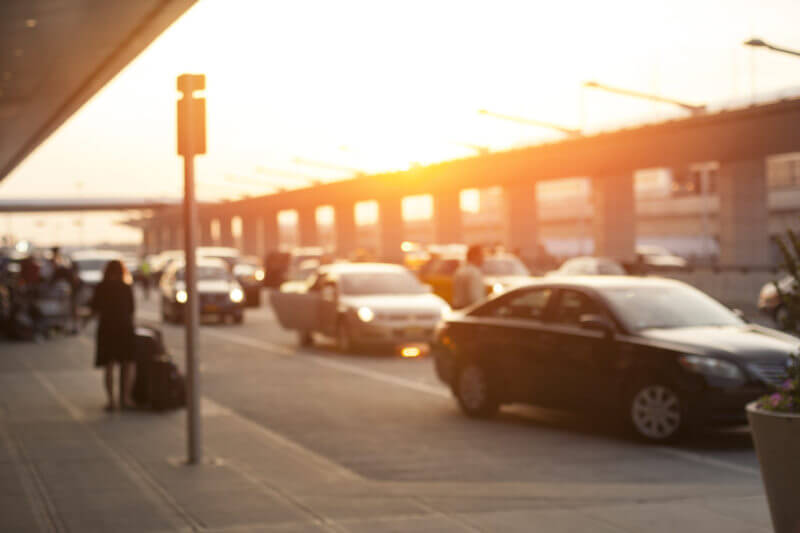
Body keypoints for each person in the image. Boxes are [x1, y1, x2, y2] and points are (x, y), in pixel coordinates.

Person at [89, 260, 136, 411]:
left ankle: (111, 401)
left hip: (107, 328)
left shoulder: (101, 287)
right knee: (128, 363)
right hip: (124, 328)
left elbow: (94, 308)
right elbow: (131, 309)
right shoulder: (126, 287)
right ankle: (126, 398)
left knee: (109, 365)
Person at [452, 245, 485, 309]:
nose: (483, 258)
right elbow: (475, 299)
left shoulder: (460, 270)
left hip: (458, 308)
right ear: (474, 256)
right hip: (470, 310)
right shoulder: (474, 273)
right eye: (481, 255)